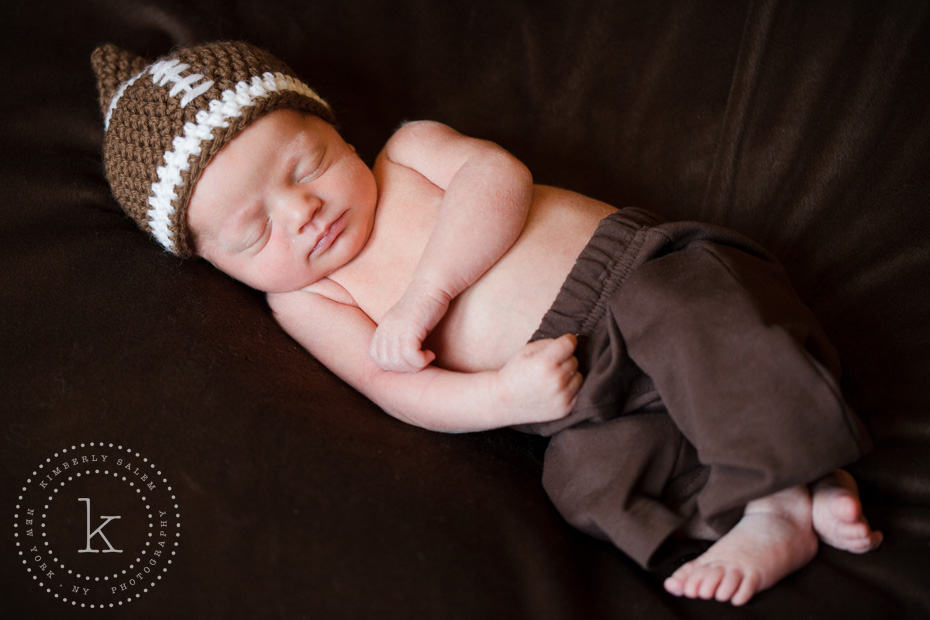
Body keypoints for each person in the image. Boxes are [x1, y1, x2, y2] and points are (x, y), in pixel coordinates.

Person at [92, 40, 883, 606]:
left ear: (331, 126)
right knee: (587, 483)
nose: (302, 213)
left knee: (699, 320)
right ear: (217, 264)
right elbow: (394, 388)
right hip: (574, 395)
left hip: (634, 276)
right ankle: (781, 487)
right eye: (254, 234)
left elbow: (498, 179)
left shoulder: (406, 155)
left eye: (306, 167)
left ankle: (778, 497)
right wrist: (504, 399)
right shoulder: (303, 302)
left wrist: (425, 296)